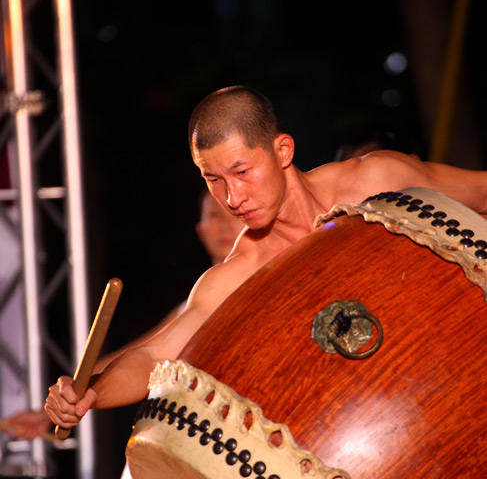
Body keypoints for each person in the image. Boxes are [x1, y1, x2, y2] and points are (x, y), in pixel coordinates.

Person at [44, 85, 487, 430]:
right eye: (213, 179)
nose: (231, 197)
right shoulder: (243, 270)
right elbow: (155, 356)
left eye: (242, 172)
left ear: (283, 151)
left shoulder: (374, 181)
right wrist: (93, 393)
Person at [4, 190, 242, 439]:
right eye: (214, 215)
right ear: (200, 230)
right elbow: (145, 355)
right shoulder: (195, 304)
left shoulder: (262, 287)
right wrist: (65, 401)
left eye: (231, 213)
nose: (225, 225)